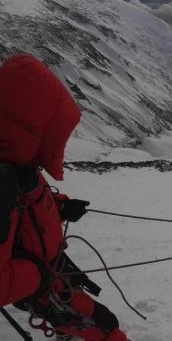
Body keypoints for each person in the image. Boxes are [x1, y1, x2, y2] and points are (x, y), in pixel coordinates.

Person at [0, 54, 128, 341]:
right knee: (105, 326)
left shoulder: (14, 165)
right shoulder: (4, 181)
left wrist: (61, 206)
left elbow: (26, 209)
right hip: (43, 285)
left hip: (50, 273)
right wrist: (38, 276)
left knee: (96, 320)